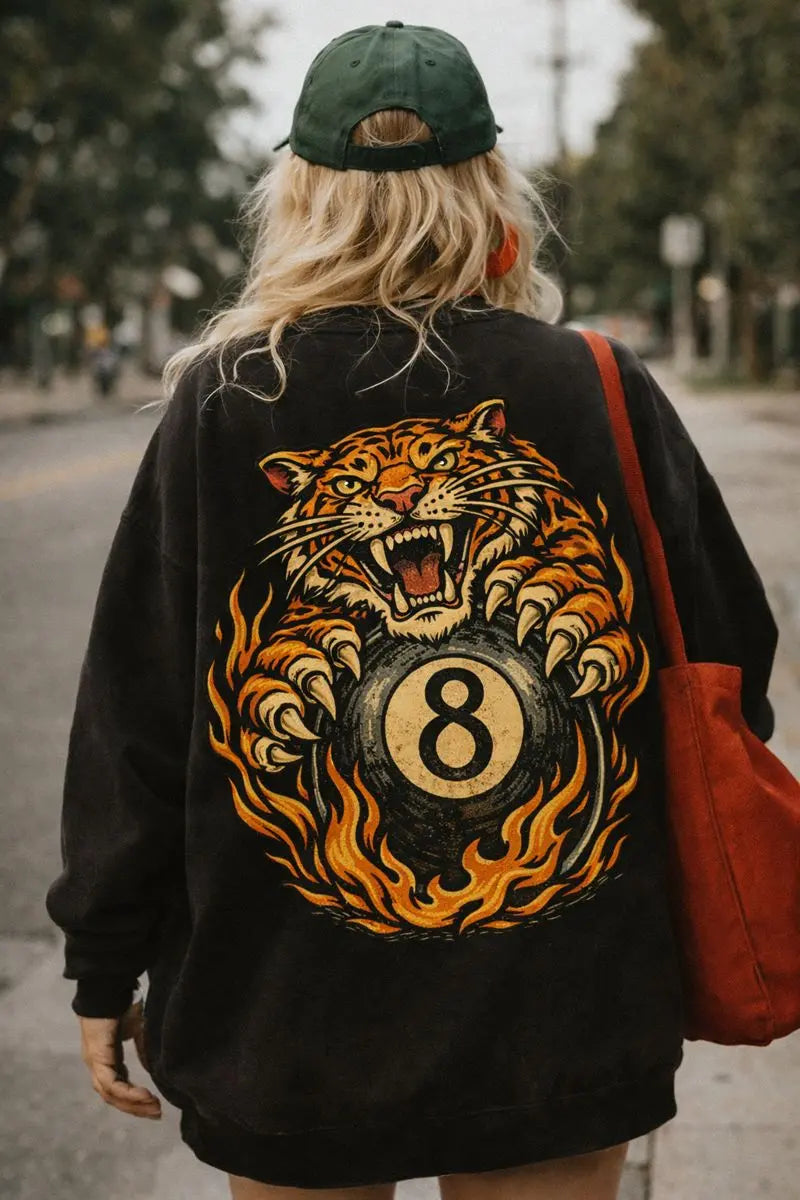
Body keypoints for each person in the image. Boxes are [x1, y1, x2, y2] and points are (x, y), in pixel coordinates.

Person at [45, 21, 779, 1200]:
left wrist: (101, 964)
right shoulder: (590, 380)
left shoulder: (227, 402)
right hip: (560, 998)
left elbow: (135, 714)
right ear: (489, 185)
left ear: (301, 195)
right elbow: (730, 655)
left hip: (288, 1015)